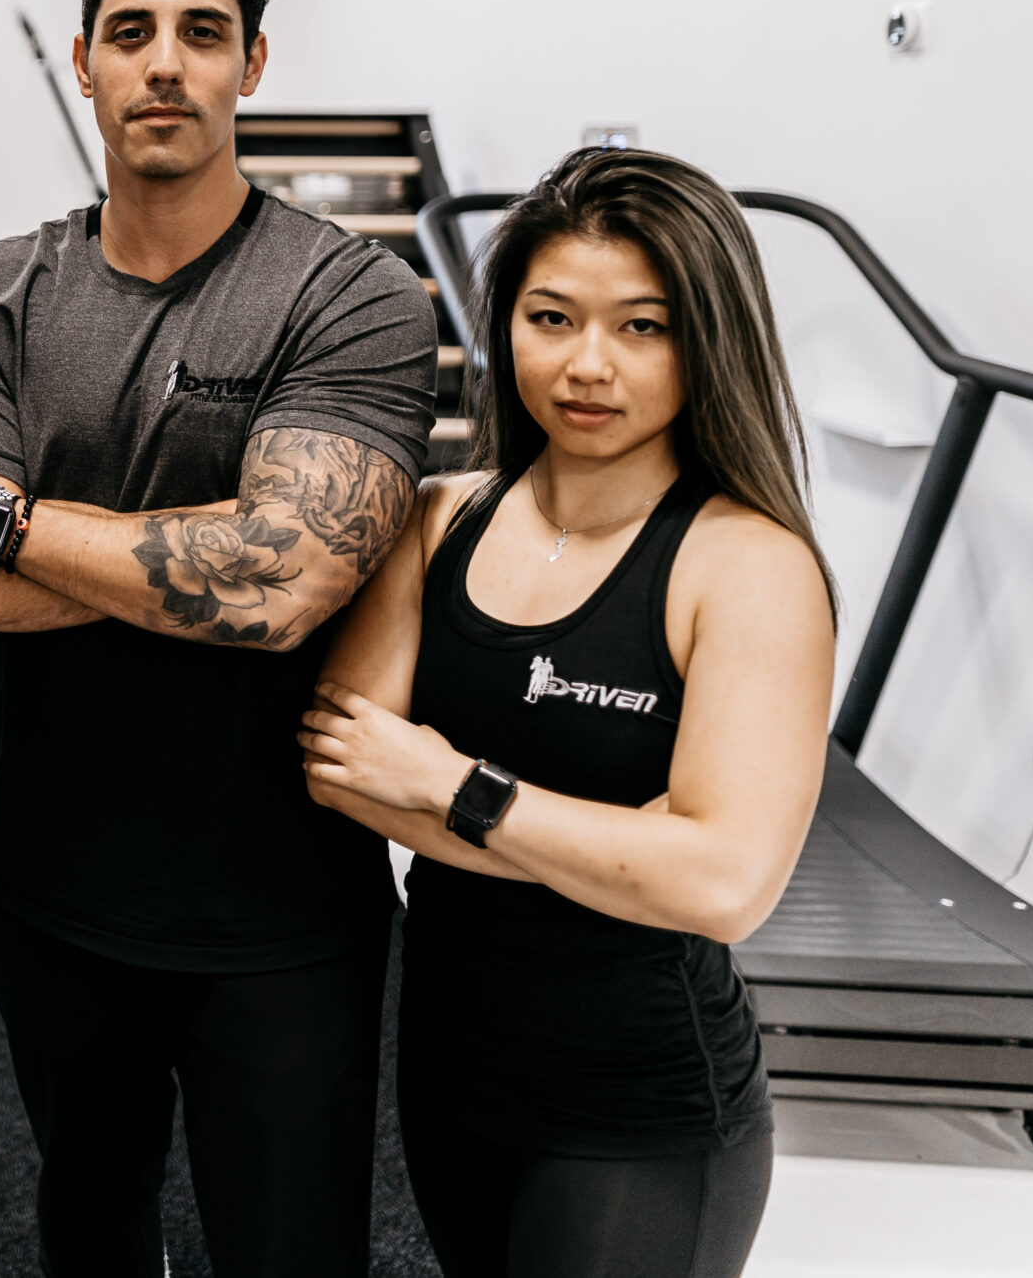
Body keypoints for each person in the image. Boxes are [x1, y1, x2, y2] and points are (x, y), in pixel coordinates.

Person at [0, 0, 437, 1277]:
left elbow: (278, 585)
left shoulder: (352, 294)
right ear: (85, 62)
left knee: (289, 1247)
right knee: (90, 1223)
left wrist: (2, 518)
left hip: (280, 907)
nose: (164, 65)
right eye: (131, 32)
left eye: (203, 32)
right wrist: (196, 543)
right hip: (48, 880)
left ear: (253, 61)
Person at [298, 146, 834, 1278]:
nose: (588, 364)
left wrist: (455, 786)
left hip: (639, 1106)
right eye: (551, 318)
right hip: (453, 1073)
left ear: (708, 338)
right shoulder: (441, 520)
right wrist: (617, 847)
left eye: (643, 327)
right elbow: (343, 767)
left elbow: (722, 885)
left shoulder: (745, 565)